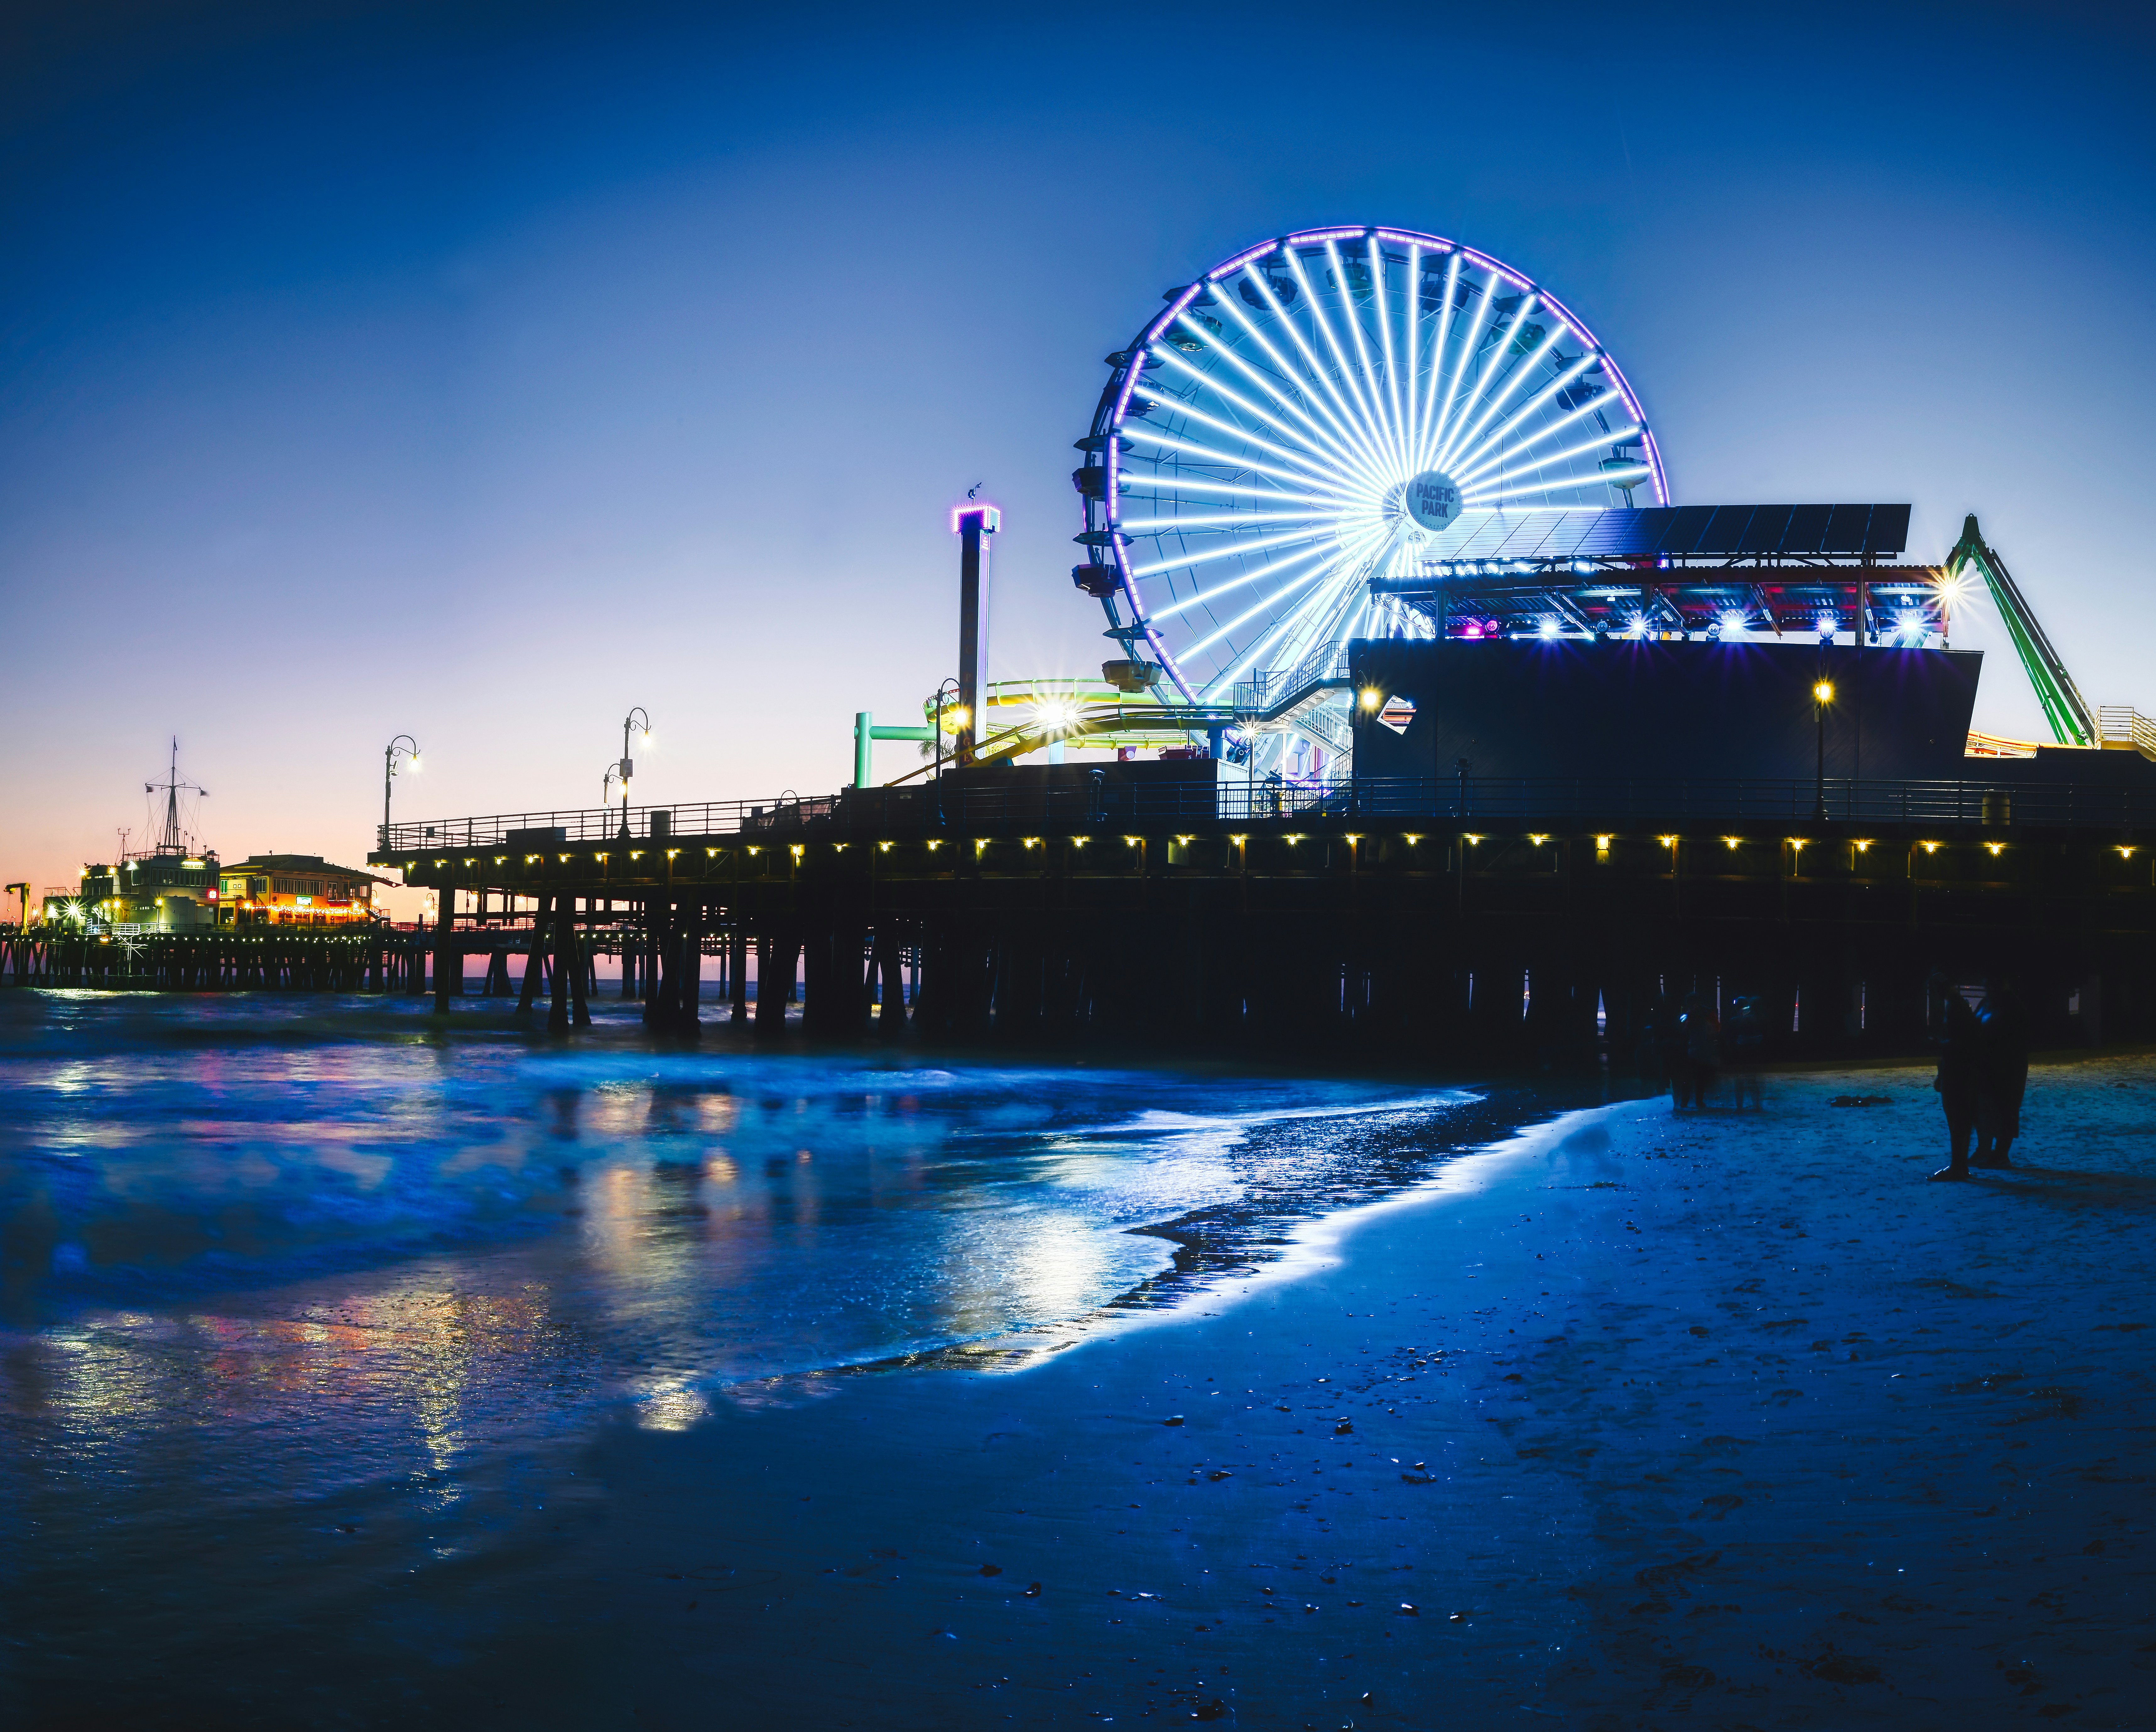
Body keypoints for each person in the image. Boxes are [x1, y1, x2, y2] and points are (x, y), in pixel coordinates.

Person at [1974, 982, 2033, 1168]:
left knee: (2006, 1110)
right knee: (1985, 1110)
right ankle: (1985, 1151)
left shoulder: (2013, 1007)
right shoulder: (1988, 1003)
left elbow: (2018, 1042)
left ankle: (2000, 1154)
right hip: (1988, 1068)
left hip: (2006, 1069)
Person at [1930, 988, 1984, 1181]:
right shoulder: (1959, 1007)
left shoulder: (1955, 1009)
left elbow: (1955, 1045)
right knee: (1962, 1123)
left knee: (1957, 1122)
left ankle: (1958, 1166)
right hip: (1964, 1074)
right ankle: (1960, 1166)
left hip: (1957, 1075)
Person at [1677, 992, 1721, 1109]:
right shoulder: (1702, 1013)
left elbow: (1683, 1030)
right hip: (1700, 1048)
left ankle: (1688, 1102)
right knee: (1699, 1077)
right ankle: (1696, 1102)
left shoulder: (1692, 1014)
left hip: (1696, 1048)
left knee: (1693, 1077)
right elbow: (1716, 1029)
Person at [1727, 995, 1765, 1110]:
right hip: (1753, 1054)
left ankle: (1740, 1107)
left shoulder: (1738, 1020)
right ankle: (1756, 1106)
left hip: (1741, 1054)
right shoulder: (1760, 1019)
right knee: (1752, 1081)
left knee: (1739, 1082)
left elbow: (1733, 1037)